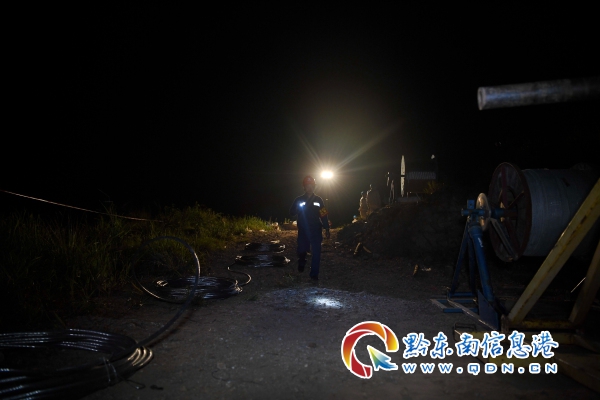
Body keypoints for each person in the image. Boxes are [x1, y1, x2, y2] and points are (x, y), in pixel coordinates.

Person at [289, 175, 330, 281]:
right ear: (304, 187)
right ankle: (302, 260)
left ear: (314, 186)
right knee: (302, 249)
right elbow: (291, 212)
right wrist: (297, 209)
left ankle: (314, 275)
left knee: (316, 252)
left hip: (316, 230)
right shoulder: (299, 199)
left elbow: (324, 215)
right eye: (307, 186)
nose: (310, 188)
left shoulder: (319, 200)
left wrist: (327, 228)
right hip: (303, 230)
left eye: (311, 185)